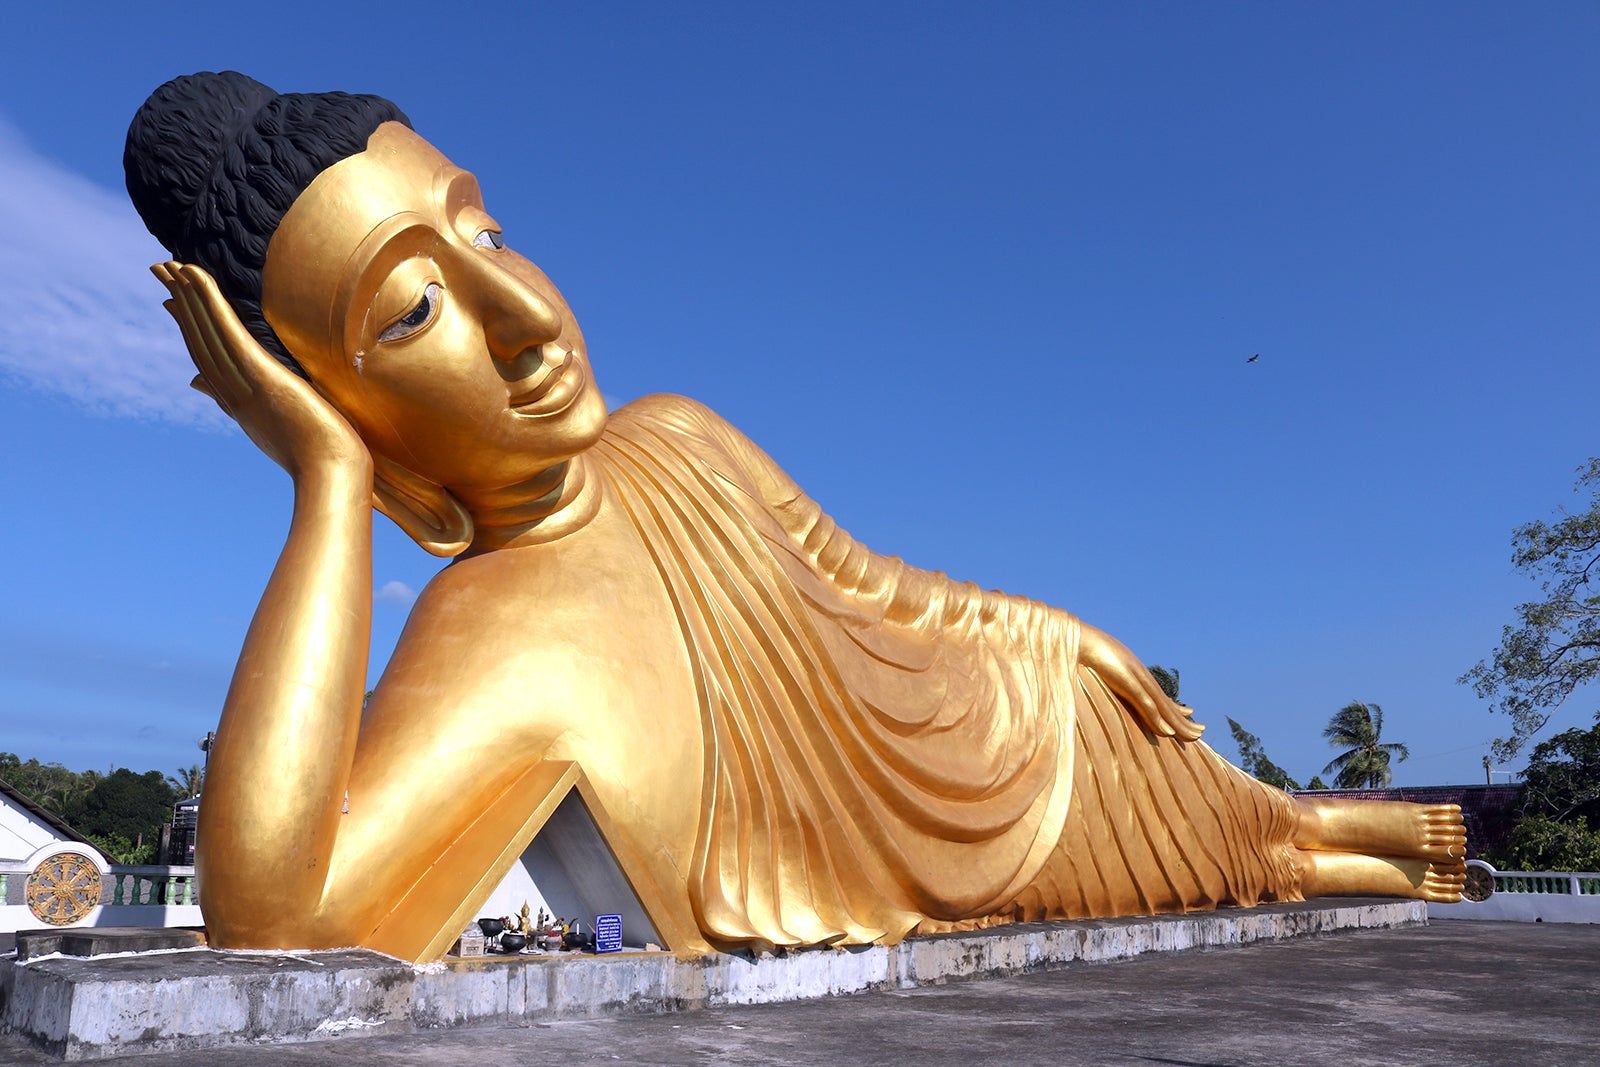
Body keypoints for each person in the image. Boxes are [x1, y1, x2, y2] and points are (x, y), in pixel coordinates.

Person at [124, 72, 1466, 961]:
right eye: (412, 312)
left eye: (482, 233)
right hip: (919, 859)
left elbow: (873, 584)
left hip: (974, 720)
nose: (530, 320)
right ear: (336, 398)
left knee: (1222, 809)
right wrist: (326, 486)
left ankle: (1315, 826)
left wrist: (1058, 635)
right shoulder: (500, 638)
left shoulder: (675, 434)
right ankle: (1333, 842)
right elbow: (278, 915)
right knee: (1242, 864)